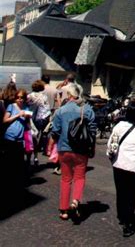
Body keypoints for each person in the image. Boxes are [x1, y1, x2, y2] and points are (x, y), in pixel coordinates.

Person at [51, 82, 96, 221]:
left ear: (69, 95)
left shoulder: (61, 110)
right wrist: (91, 147)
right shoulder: (87, 110)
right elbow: (93, 131)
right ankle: (75, 201)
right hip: (81, 149)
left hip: (64, 149)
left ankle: (63, 210)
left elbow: (55, 131)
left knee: (65, 179)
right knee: (79, 177)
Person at [107, 100, 135, 237]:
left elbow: (112, 143)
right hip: (133, 165)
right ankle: (128, 222)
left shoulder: (119, 126)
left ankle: (121, 215)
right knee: (131, 194)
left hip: (119, 163)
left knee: (120, 191)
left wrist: (110, 154)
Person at [2, 89, 32, 203]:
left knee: (18, 163)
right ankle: (6, 185)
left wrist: (27, 119)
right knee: (8, 161)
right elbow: (5, 120)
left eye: (22, 97)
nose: (20, 99)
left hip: (20, 138)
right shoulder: (11, 106)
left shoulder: (26, 108)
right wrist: (18, 115)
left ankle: (15, 186)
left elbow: (28, 125)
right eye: (18, 97)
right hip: (10, 136)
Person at [28, 79, 52, 164]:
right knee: (37, 136)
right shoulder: (44, 96)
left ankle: (29, 155)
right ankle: (35, 156)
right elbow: (47, 108)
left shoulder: (29, 96)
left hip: (30, 118)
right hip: (41, 118)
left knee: (30, 136)